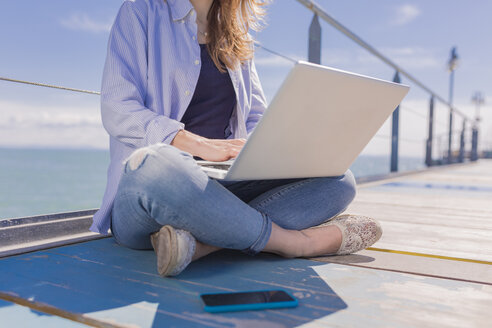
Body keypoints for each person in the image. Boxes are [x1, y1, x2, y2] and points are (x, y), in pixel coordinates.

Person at [90, 0, 382, 277]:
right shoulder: (140, 12)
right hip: (154, 190)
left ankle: (202, 245)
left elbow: (255, 117)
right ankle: (296, 243)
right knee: (159, 164)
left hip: (220, 184)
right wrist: (199, 145)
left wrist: (269, 150)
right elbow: (117, 108)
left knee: (338, 178)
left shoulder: (235, 33)